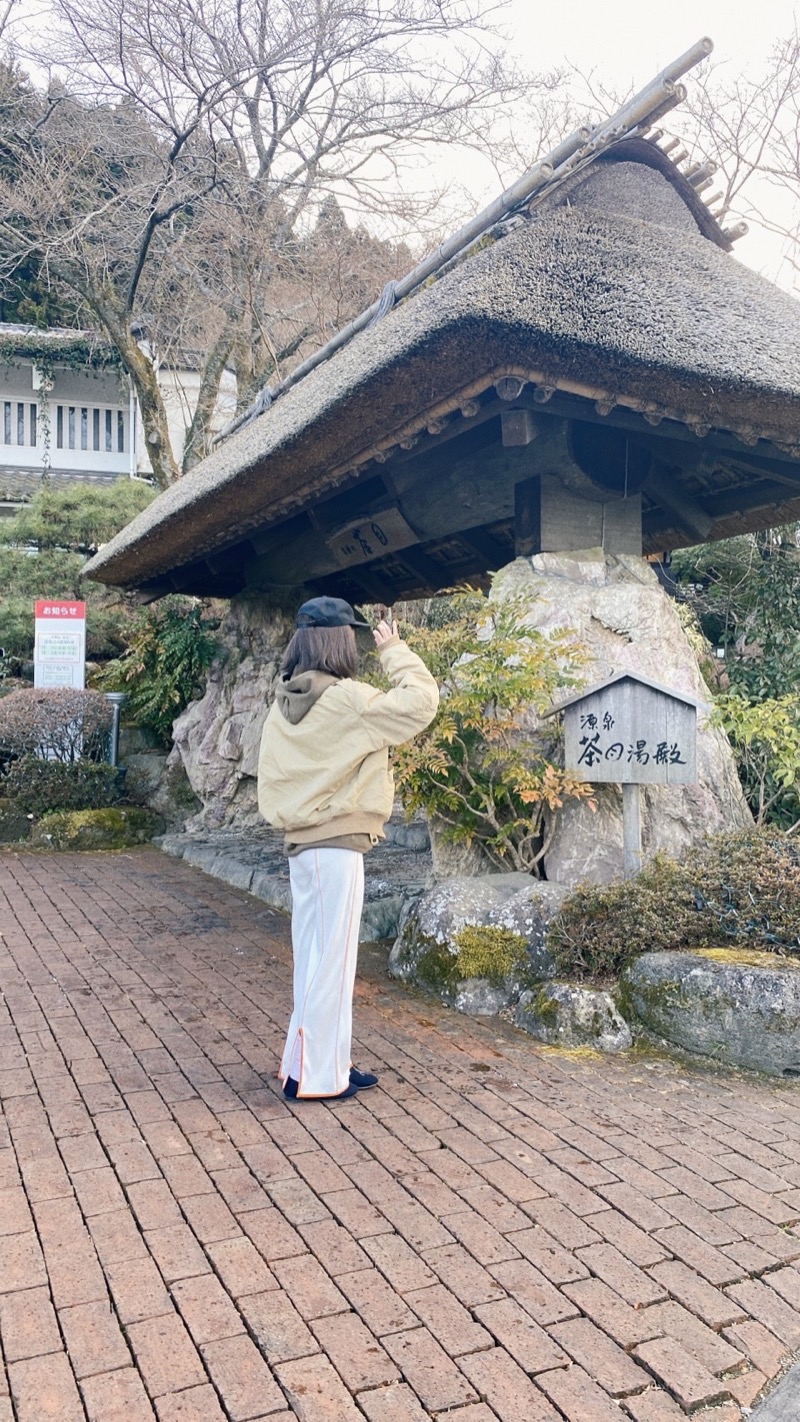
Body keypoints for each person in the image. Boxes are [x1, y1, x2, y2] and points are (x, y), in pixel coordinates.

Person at [257, 595, 439, 1101]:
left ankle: (313, 1063)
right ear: (340, 643)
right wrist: (396, 650)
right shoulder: (348, 699)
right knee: (332, 963)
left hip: (302, 845)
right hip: (335, 846)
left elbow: (270, 778)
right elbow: (422, 702)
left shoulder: (282, 704)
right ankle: (318, 1077)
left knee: (314, 959)